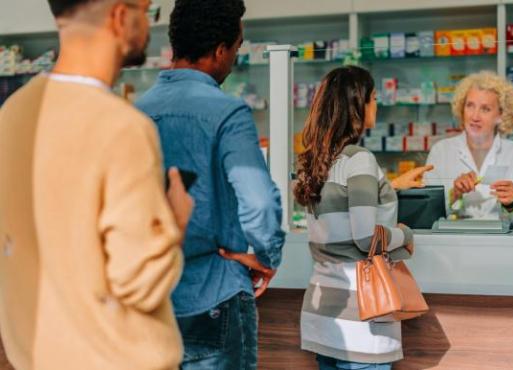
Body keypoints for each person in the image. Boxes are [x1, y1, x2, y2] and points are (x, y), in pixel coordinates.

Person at [0, 0, 194, 369]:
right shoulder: (122, 127)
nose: (150, 26)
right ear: (121, 17)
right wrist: (175, 222)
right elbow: (139, 281)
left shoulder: (13, 113)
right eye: (148, 12)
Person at [135, 0, 285, 369]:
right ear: (220, 51)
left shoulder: (135, 112)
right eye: (235, 49)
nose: (234, 59)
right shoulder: (226, 112)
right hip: (214, 296)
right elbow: (260, 203)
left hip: (151, 299)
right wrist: (265, 257)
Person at [294, 65, 417, 370]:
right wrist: (405, 234)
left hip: (324, 316)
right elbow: (365, 238)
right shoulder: (359, 159)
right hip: (360, 320)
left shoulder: (317, 161)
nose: (377, 105)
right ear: (358, 105)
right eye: (373, 98)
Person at [425, 71, 513, 229]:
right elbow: (426, 218)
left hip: (504, 249)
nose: (475, 116)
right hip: (453, 249)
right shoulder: (441, 152)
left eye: (485, 109)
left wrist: (512, 204)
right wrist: (453, 195)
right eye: (470, 106)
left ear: (501, 115)